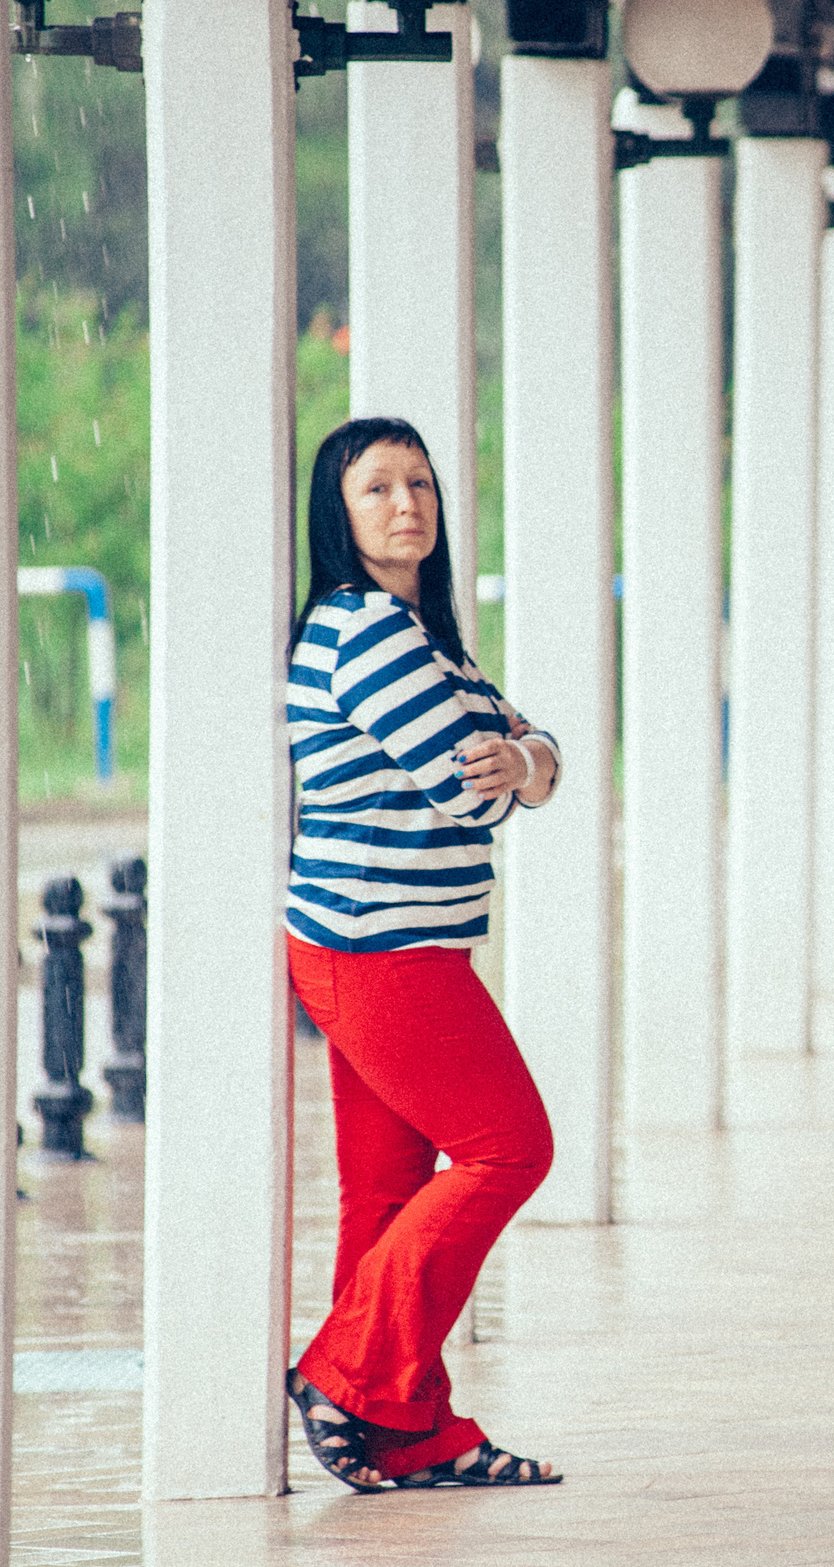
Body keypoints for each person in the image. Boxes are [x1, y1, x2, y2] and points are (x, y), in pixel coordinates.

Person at [281, 416, 564, 1491]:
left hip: (386, 947)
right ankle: (347, 1374)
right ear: (338, 515)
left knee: (387, 1197)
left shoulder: (418, 635)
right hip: (381, 951)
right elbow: (471, 786)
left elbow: (534, 751)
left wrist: (525, 757)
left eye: (423, 485)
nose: (409, 505)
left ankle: (408, 1428)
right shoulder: (367, 634)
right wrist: (514, 763)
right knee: (508, 1149)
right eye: (378, 489)